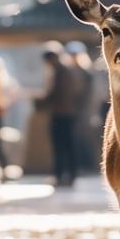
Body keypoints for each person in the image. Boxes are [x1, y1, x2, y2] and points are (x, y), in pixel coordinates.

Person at [37, 41, 78, 187]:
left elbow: (55, 94)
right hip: (66, 112)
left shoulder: (61, 72)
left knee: (61, 145)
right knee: (66, 145)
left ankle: (61, 174)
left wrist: (40, 100)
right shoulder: (64, 70)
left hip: (61, 114)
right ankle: (67, 174)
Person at [66, 41, 95, 172]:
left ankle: (88, 166)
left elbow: (89, 94)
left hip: (83, 111)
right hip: (69, 110)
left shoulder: (86, 73)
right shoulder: (66, 72)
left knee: (84, 137)